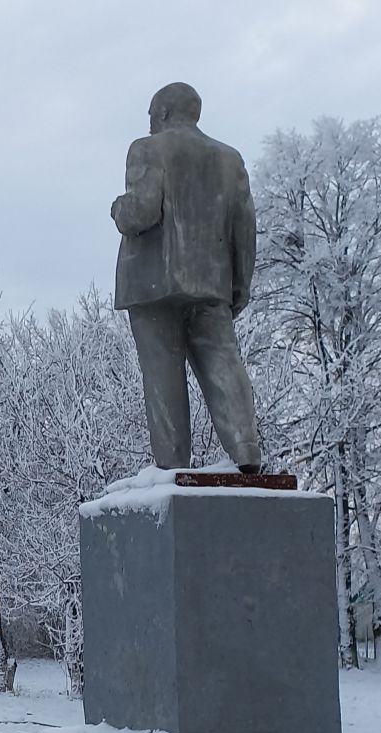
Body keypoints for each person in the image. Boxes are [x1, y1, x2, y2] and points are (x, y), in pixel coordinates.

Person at [111, 82, 263, 473]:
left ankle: (173, 465)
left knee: (163, 376)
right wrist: (239, 286)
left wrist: (118, 209)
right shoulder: (230, 160)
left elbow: (142, 212)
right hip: (212, 285)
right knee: (223, 363)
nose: (148, 125)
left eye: (150, 117)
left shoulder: (148, 149)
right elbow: (245, 229)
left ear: (161, 114)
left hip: (153, 285)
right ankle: (246, 448)